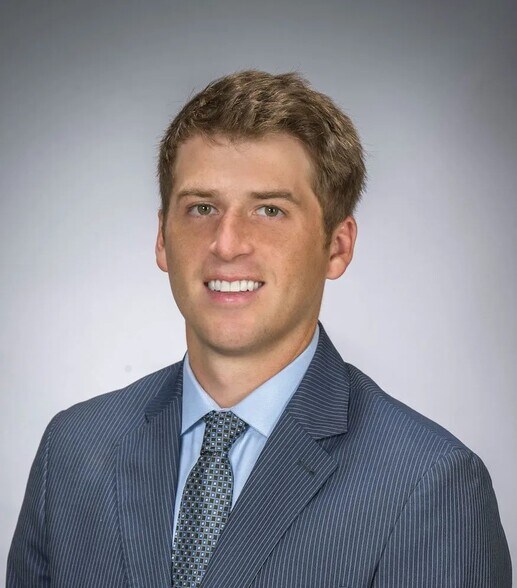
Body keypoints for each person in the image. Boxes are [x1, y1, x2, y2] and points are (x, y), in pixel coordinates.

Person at [8, 70, 511, 587]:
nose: (227, 243)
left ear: (337, 247)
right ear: (162, 238)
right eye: (202, 208)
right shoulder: (73, 452)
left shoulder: (429, 484)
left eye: (269, 210)